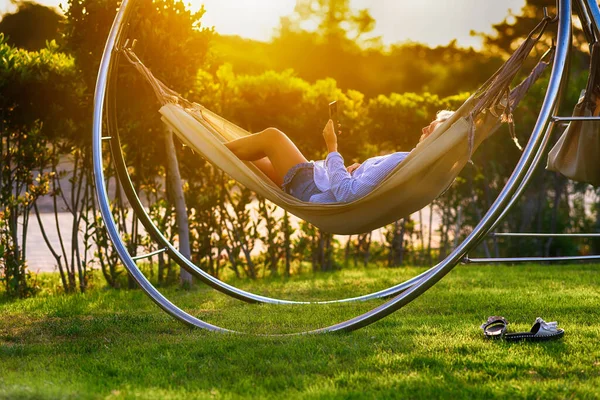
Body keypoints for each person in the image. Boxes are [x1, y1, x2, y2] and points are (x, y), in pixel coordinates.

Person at [225, 110, 454, 203]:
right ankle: (207, 141)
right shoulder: (413, 165)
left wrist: (332, 147)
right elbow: (357, 188)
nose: (424, 129)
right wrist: (354, 171)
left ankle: (205, 144)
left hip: (312, 189)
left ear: (439, 139)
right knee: (248, 158)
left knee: (272, 137)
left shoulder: (403, 161)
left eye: (431, 128)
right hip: (317, 187)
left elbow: (346, 193)